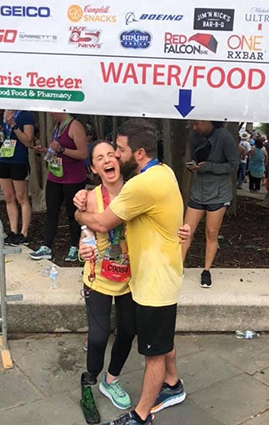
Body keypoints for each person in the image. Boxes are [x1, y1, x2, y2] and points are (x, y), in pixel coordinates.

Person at [74, 119, 186, 425]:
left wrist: (77, 214)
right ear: (94, 169)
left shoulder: (138, 185)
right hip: (134, 278)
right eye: (102, 157)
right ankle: (172, 383)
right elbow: (91, 229)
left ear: (136, 154)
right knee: (151, 339)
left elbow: (101, 223)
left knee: (151, 350)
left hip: (148, 281)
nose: (113, 157)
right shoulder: (162, 172)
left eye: (117, 151)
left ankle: (140, 415)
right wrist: (83, 230)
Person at [79, 140, 137, 425]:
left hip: (131, 279)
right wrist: (83, 247)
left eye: (111, 154)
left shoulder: (137, 191)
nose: (106, 160)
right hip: (97, 278)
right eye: (99, 158)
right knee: (100, 338)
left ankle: (110, 380)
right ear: (93, 168)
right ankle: (88, 382)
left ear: (119, 159)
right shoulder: (90, 198)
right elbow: (86, 233)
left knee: (127, 333)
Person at [182, 121, 239, 288]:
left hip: (219, 193)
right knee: (186, 230)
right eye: (193, 124)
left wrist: (209, 167)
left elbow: (233, 165)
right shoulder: (194, 135)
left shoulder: (224, 136)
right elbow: (193, 157)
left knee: (211, 233)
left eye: (197, 124)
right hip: (199, 191)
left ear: (209, 121)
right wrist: (193, 166)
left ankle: (206, 271)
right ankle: (178, 266)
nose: (194, 127)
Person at [30, 112, 87, 261]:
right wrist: (46, 151)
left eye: (52, 111)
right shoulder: (58, 126)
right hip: (55, 176)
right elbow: (56, 148)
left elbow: (83, 154)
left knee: (73, 213)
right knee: (51, 212)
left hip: (73, 178)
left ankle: (75, 247)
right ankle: (46, 246)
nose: (50, 114)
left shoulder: (75, 126)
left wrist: (62, 149)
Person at [0, 109, 34, 245]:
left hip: (18, 160)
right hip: (3, 158)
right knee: (8, 196)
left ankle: (24, 233)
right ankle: (13, 231)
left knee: (22, 196)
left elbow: (28, 141)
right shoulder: (3, 113)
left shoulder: (25, 115)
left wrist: (13, 125)